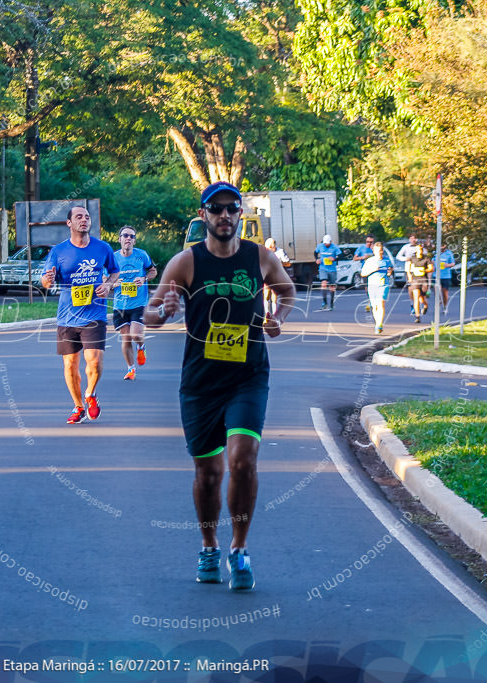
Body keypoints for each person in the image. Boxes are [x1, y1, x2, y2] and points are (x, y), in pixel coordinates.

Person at [144, 180, 295, 591]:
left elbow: (287, 290)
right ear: (204, 216)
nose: (225, 216)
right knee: (208, 473)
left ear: (241, 214)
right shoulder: (186, 263)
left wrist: (278, 317)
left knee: (243, 460)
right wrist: (165, 310)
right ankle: (209, 546)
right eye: (217, 209)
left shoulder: (259, 257)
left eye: (232, 208)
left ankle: (239, 549)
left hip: (248, 376)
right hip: (200, 382)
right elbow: (150, 313)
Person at [40, 206, 120, 423]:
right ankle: (78, 407)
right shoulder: (58, 251)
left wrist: (108, 285)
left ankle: (90, 394)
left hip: (95, 314)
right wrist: (48, 279)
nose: (84, 220)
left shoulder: (102, 248)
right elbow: (46, 282)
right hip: (67, 316)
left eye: (87, 217)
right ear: (69, 223)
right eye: (79, 217)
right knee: (70, 365)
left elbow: (114, 272)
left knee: (93, 362)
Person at [113, 226, 157, 381]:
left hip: (139, 302)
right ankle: (131, 369)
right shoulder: (113, 258)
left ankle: (141, 346)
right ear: (119, 239)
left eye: (131, 236)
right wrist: (114, 282)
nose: (128, 239)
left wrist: (144, 278)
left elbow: (153, 271)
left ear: (135, 240)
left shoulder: (141, 255)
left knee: (135, 334)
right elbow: (105, 279)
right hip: (120, 305)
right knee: (126, 339)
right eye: (125, 235)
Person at [360, 241, 392, 334]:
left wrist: (389, 272)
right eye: (377, 251)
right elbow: (363, 273)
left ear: (382, 251)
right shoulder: (370, 261)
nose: (379, 252)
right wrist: (373, 269)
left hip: (383, 284)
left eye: (381, 250)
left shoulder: (386, 260)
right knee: (374, 306)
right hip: (372, 285)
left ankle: (379, 324)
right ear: (374, 251)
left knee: (381, 303)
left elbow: (390, 269)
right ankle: (377, 323)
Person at [405, 243, 433, 323]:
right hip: (415, 280)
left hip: (423, 280)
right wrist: (409, 276)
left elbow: (431, 268)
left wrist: (424, 270)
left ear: (422, 250)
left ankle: (425, 305)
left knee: (422, 299)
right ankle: (417, 316)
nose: (419, 251)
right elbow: (408, 268)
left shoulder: (426, 258)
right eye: (418, 249)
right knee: (416, 298)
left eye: (420, 249)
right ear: (416, 251)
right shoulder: (412, 258)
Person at [263, 238, 291, 315]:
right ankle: (267, 314)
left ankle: (275, 314)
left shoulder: (280, 252)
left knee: (274, 296)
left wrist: (279, 264)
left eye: (269, 248)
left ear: (273, 247)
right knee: (266, 296)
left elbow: (288, 263)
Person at [314, 234, 342, 310]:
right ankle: (324, 303)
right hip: (323, 268)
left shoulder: (334, 247)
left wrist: (334, 259)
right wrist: (317, 259)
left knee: (332, 286)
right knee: (324, 284)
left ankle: (332, 303)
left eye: (327, 243)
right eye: (325, 243)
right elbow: (315, 252)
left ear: (330, 242)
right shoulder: (320, 246)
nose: (326, 244)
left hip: (332, 269)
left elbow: (340, 255)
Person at [436, 242, 455, 310]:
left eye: (442, 245)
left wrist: (447, 265)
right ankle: (439, 300)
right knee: (437, 290)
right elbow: (432, 261)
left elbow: (453, 263)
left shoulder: (449, 253)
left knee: (445, 293)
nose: (441, 247)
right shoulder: (435, 252)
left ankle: (445, 306)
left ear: (445, 246)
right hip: (437, 275)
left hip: (446, 276)